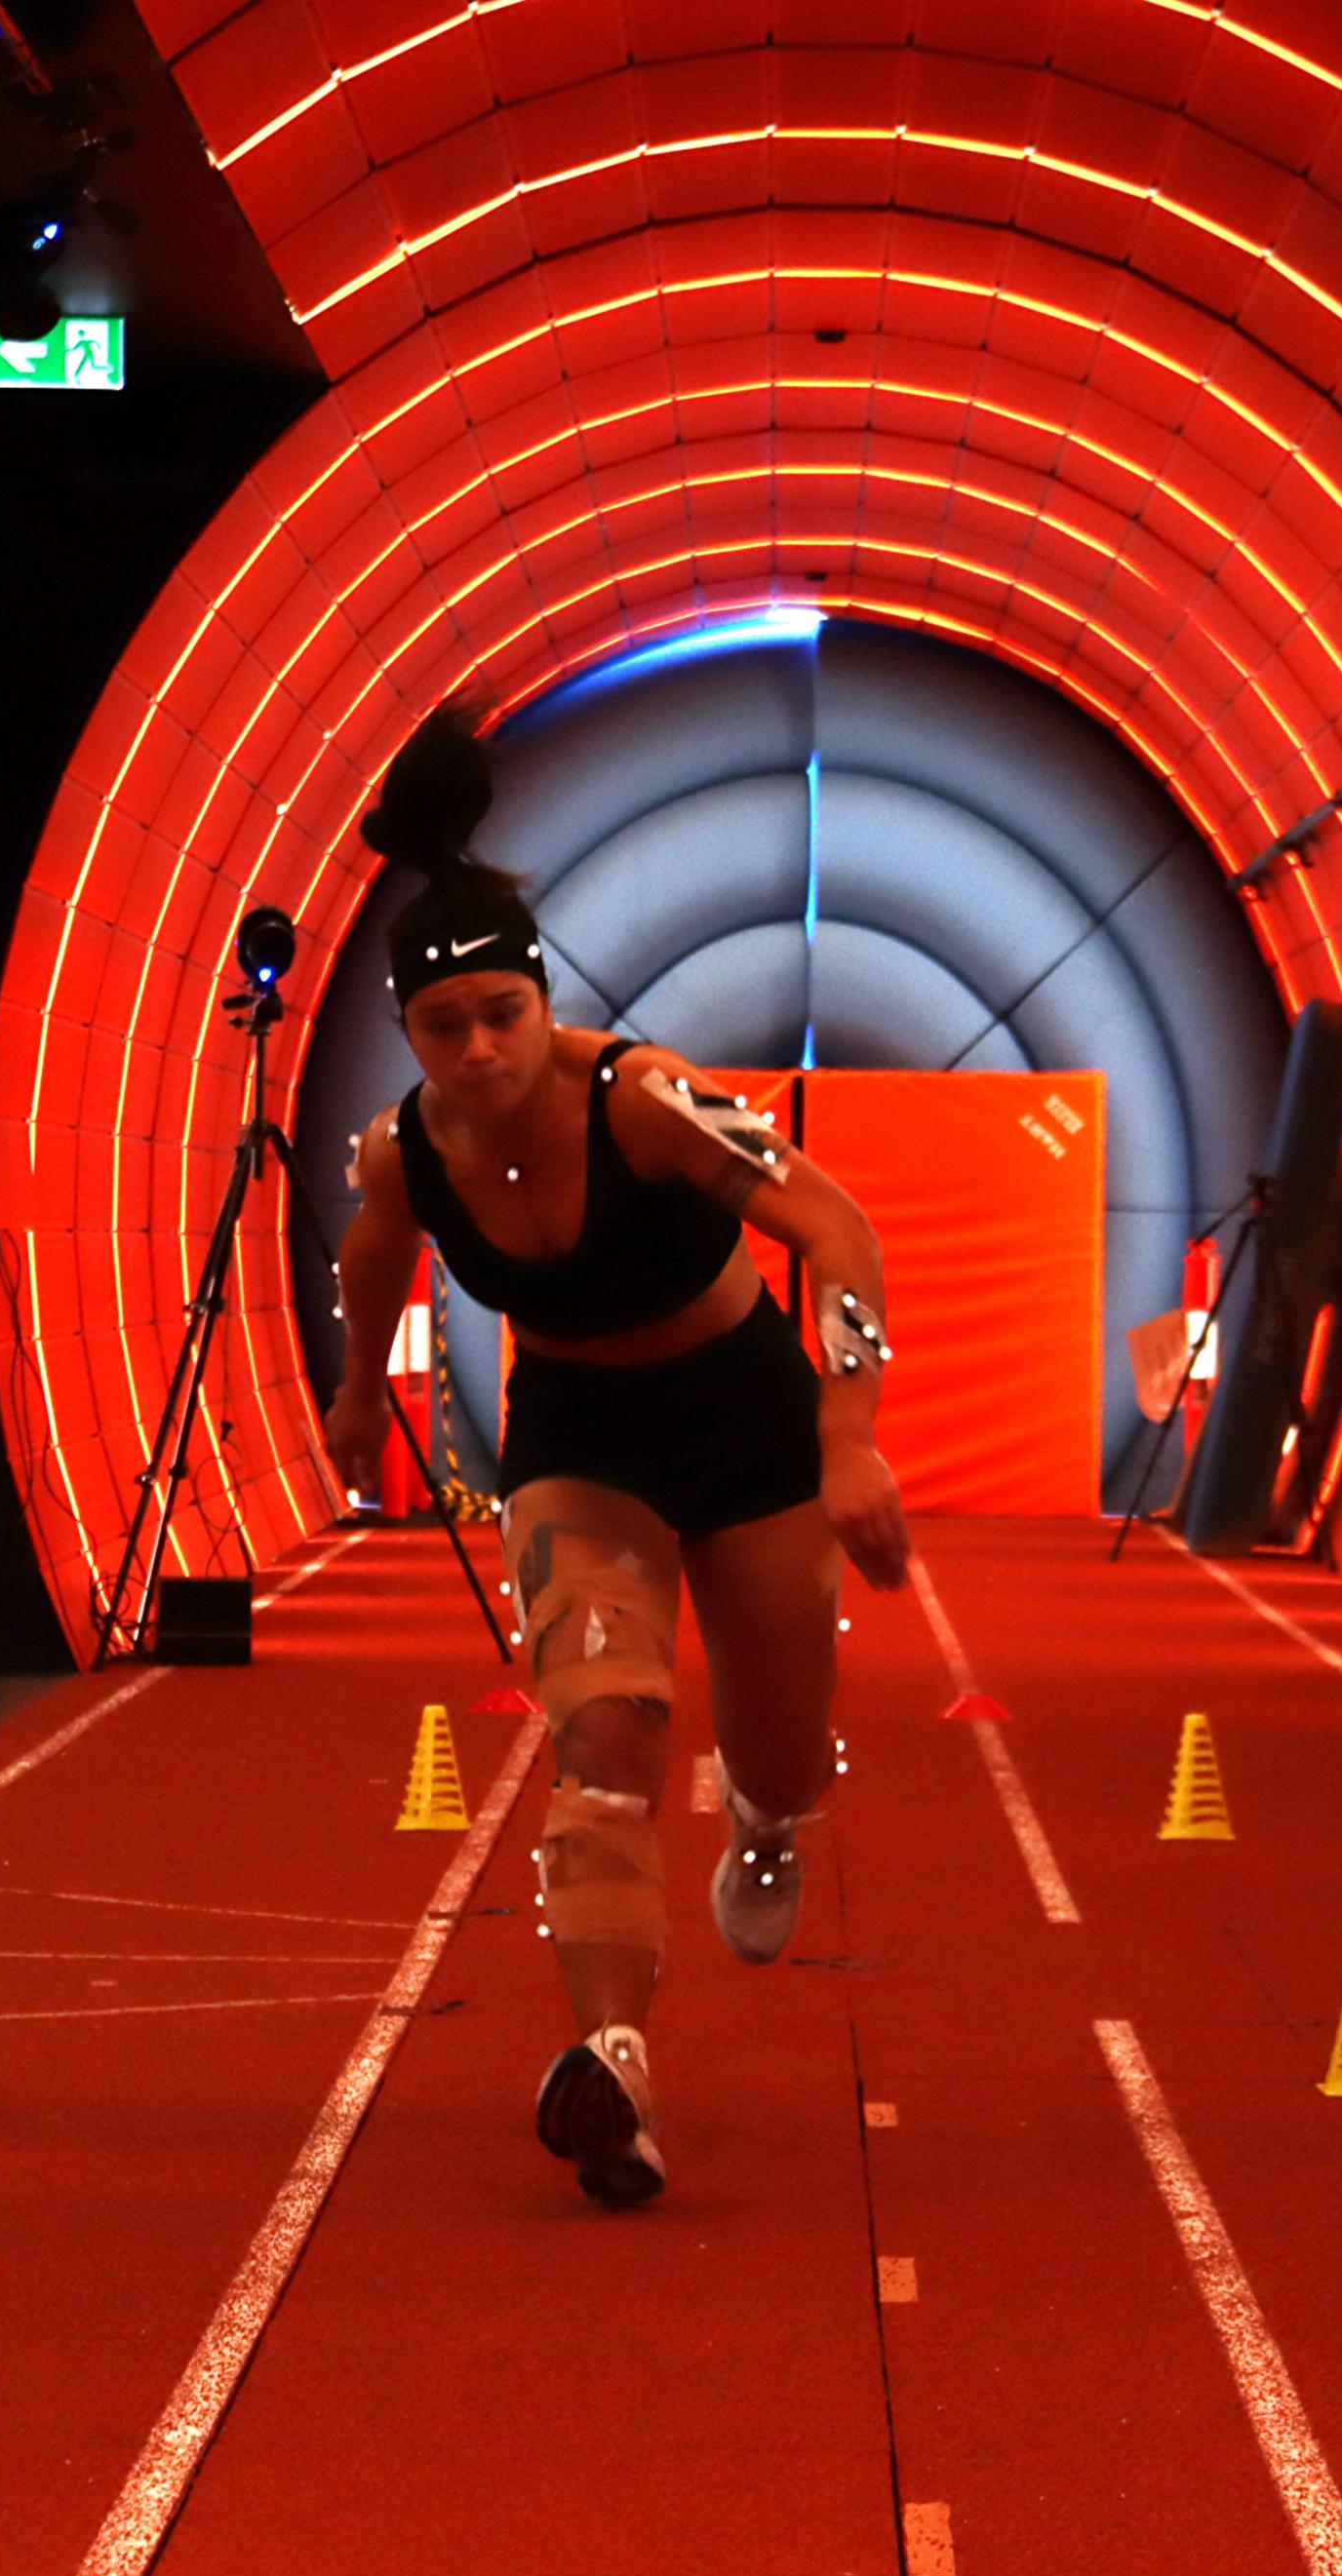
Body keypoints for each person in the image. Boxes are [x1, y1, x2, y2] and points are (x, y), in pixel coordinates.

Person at [318, 710, 914, 2208]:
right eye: (445, 1032)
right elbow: (373, 1258)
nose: (480, 1053)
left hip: (746, 1415)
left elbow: (836, 1230)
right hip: (577, 1440)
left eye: (503, 1017)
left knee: (775, 1744)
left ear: (544, 1000)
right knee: (606, 1737)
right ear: (409, 1039)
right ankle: (617, 2068)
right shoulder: (404, 1150)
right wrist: (346, 1393)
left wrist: (847, 1441)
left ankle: (770, 1824)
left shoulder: (644, 1102)